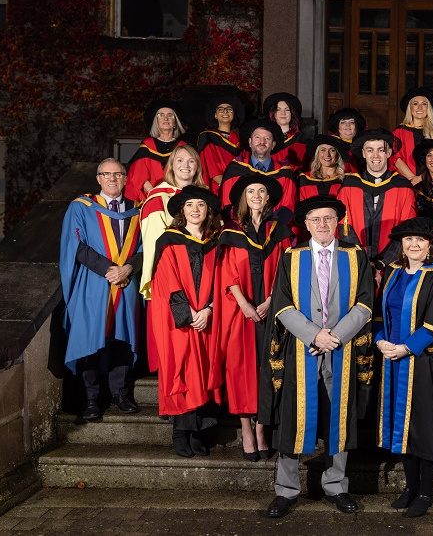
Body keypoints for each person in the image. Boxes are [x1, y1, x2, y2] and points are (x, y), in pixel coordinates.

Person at [259, 195, 374, 518]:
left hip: (343, 349)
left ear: (337, 221)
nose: (322, 224)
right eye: (315, 219)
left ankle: (337, 486)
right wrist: (314, 335)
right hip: (301, 350)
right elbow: (281, 306)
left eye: (327, 218)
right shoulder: (291, 257)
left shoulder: (355, 256)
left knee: (338, 419)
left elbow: (365, 303)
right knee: (295, 419)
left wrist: (335, 337)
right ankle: (286, 490)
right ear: (306, 224)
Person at [375, 217, 433, 518]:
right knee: (401, 429)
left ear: (430, 246)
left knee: (423, 428)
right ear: (401, 244)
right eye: (408, 240)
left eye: (420, 240)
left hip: (424, 363)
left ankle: (426, 490)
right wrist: (380, 341)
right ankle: (410, 487)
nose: (414, 244)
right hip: (393, 363)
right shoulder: (393, 273)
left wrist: (406, 347)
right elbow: (379, 315)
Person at [213, 172, 293, 462]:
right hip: (240, 312)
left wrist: (272, 300)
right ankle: (246, 429)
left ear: (269, 196)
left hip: (271, 309)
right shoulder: (231, 231)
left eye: (261, 191)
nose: (257, 195)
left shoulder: (280, 231)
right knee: (240, 370)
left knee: (266, 369)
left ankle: (261, 429)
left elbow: (286, 271)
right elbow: (226, 272)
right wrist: (245, 304)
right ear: (243, 198)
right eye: (251, 191)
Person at [60, 158, 143, 421]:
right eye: (106, 174)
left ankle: (120, 393)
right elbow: (77, 245)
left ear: (126, 178)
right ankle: (91, 399)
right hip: (94, 282)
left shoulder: (138, 210)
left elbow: (146, 247)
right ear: (98, 178)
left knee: (122, 339)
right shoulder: (81, 207)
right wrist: (110, 270)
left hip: (126, 283)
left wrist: (128, 269)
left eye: (118, 174)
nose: (112, 178)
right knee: (91, 339)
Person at [151, 186, 223, 457]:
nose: (195, 209)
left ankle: (198, 431)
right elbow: (166, 282)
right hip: (179, 321)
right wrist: (189, 313)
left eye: (201, 205)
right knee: (181, 369)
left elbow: (223, 280)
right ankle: (181, 431)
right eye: (190, 204)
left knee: (203, 371)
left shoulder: (216, 242)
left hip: (206, 318)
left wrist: (209, 310)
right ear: (182, 210)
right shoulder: (169, 240)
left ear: (208, 212)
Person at [139, 145, 209, 372]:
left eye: (191, 161)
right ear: (171, 166)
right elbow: (156, 248)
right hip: (173, 283)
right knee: (176, 350)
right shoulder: (157, 200)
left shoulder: (205, 196)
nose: (186, 166)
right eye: (180, 161)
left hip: (203, 281)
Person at [337, 128, 417, 277]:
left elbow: (407, 231)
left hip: (393, 266)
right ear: (363, 153)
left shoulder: (403, 187)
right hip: (357, 265)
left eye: (381, 150)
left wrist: (382, 264)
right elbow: (344, 229)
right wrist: (364, 262)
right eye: (370, 150)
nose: (375, 156)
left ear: (389, 153)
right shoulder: (349, 187)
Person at [219, 119, 297, 224]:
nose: (262, 142)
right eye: (257, 137)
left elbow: (288, 207)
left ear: (273, 145)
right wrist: (245, 226)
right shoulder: (235, 169)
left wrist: (269, 228)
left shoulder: (284, 173)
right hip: (241, 230)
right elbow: (227, 204)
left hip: (274, 232)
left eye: (267, 138)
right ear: (250, 142)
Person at [125, 99, 187, 202]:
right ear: (156, 121)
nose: (165, 118)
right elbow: (138, 175)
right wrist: (154, 194)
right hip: (150, 197)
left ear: (175, 122)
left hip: (177, 196)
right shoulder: (147, 146)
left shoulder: (183, 148)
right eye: (161, 115)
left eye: (170, 115)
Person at [390, 87, 433, 182]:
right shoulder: (399, 131)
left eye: (424, 104)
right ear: (410, 108)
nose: (420, 108)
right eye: (415, 104)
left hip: (431, 182)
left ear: (428, 108)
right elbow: (396, 160)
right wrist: (415, 179)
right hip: (406, 182)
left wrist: (425, 179)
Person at [197, 94, 245, 194]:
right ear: (215, 115)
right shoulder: (208, 138)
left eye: (229, 109)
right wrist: (234, 187)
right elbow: (213, 171)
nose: (225, 111)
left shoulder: (240, 140)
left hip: (239, 186)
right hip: (219, 189)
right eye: (220, 109)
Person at [264, 92, 307, 172]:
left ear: (292, 114)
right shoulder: (265, 138)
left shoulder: (301, 140)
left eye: (287, 110)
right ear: (273, 114)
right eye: (278, 110)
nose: (283, 113)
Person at [298, 135, 348, 201]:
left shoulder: (346, 181)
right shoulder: (305, 179)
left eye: (332, 150)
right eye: (323, 150)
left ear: (338, 155)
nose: (327, 154)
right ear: (317, 154)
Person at [327, 107, 366, 173]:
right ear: (337, 126)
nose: (348, 125)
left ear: (356, 127)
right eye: (343, 122)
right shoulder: (329, 146)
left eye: (352, 122)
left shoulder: (365, 146)